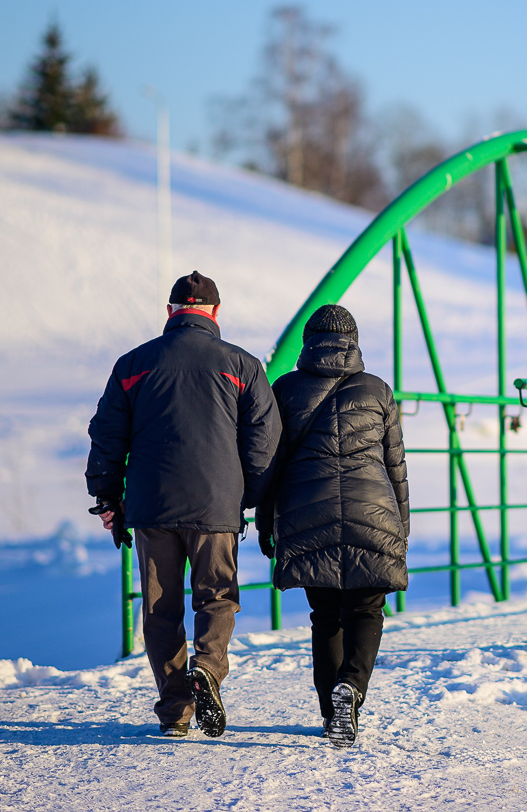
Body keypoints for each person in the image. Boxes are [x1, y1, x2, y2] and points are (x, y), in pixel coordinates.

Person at [86, 271, 280, 738]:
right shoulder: (243, 364)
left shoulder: (132, 364)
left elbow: (107, 436)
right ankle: (208, 670)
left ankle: (175, 711)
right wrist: (247, 495)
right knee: (216, 596)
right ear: (215, 313)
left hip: (151, 508)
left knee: (160, 610)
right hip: (216, 506)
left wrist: (108, 495)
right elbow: (265, 441)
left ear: (171, 312)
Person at [261, 304, 408, 748]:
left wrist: (267, 522)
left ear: (308, 341)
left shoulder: (284, 389)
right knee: (366, 610)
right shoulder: (378, 390)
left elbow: (271, 463)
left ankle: (331, 711)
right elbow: (395, 464)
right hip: (373, 512)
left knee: (325, 616)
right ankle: (353, 687)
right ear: (354, 341)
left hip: (309, 514)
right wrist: (399, 525)